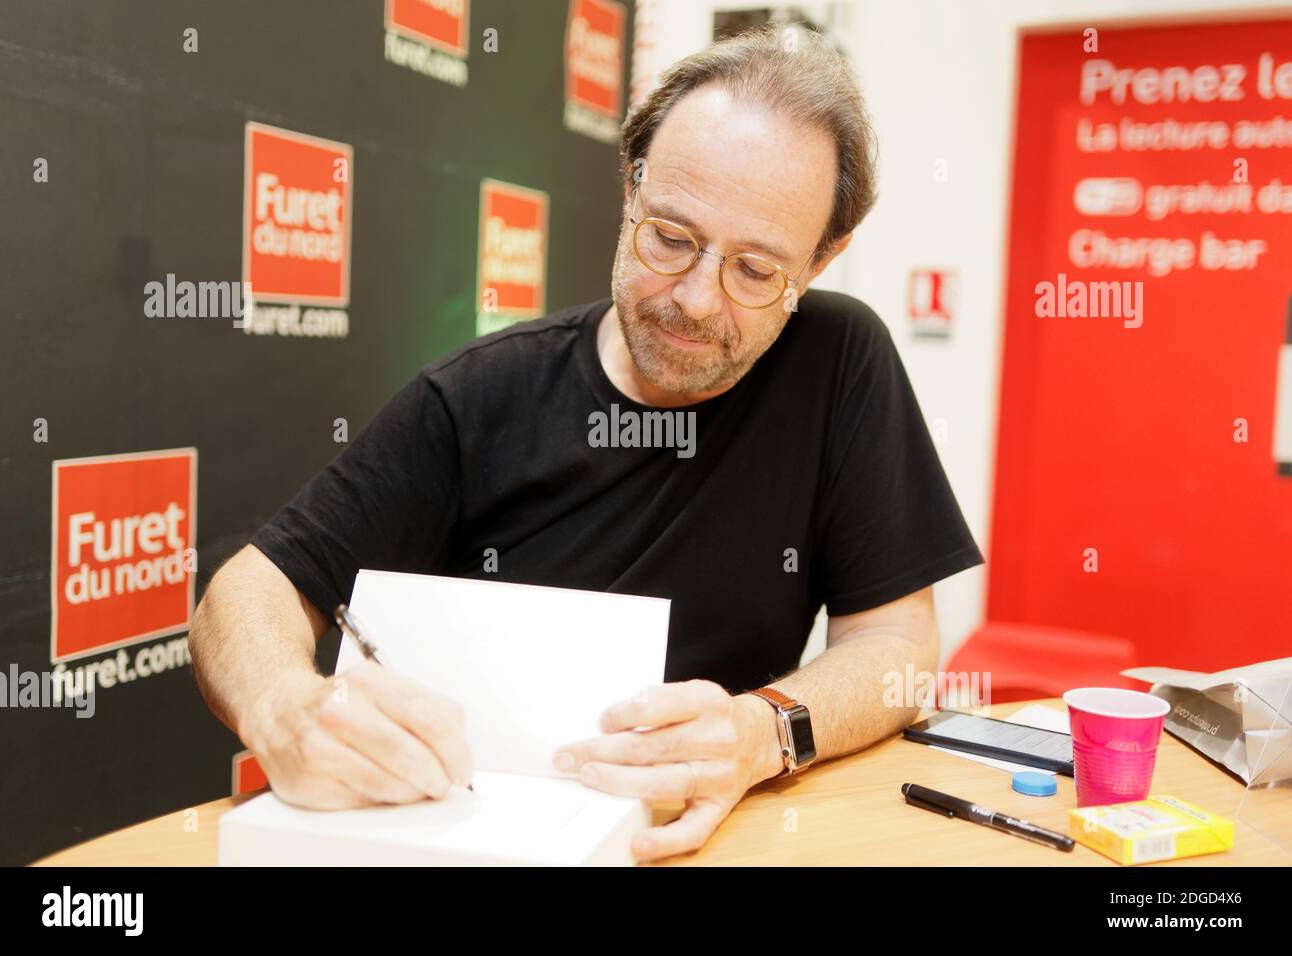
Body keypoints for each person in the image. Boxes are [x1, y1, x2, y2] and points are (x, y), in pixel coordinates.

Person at [189, 24, 983, 862]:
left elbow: (896, 644)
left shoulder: (839, 360)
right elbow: (246, 594)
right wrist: (286, 704)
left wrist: (764, 729)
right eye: (670, 238)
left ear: (823, 259)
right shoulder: (480, 396)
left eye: (756, 271)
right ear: (630, 187)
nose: (698, 300)